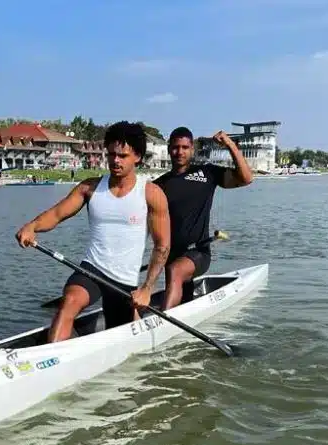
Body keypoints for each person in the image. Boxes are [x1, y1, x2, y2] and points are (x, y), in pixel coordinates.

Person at [16, 121, 171, 343]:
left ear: (137, 156)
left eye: (123, 156)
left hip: (124, 281)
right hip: (92, 269)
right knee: (69, 302)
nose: (115, 161)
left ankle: (135, 322)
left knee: (123, 330)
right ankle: (52, 356)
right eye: (111, 154)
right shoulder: (89, 187)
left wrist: (147, 289)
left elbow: (162, 246)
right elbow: (57, 214)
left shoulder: (151, 194)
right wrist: (32, 226)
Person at [153, 127, 253, 310]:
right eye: (175, 147)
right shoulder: (158, 186)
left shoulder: (207, 173)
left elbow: (246, 178)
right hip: (171, 254)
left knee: (175, 271)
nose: (180, 152)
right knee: (180, 291)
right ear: (169, 149)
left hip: (198, 252)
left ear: (192, 149)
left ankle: (164, 320)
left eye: (185, 147)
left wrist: (230, 145)